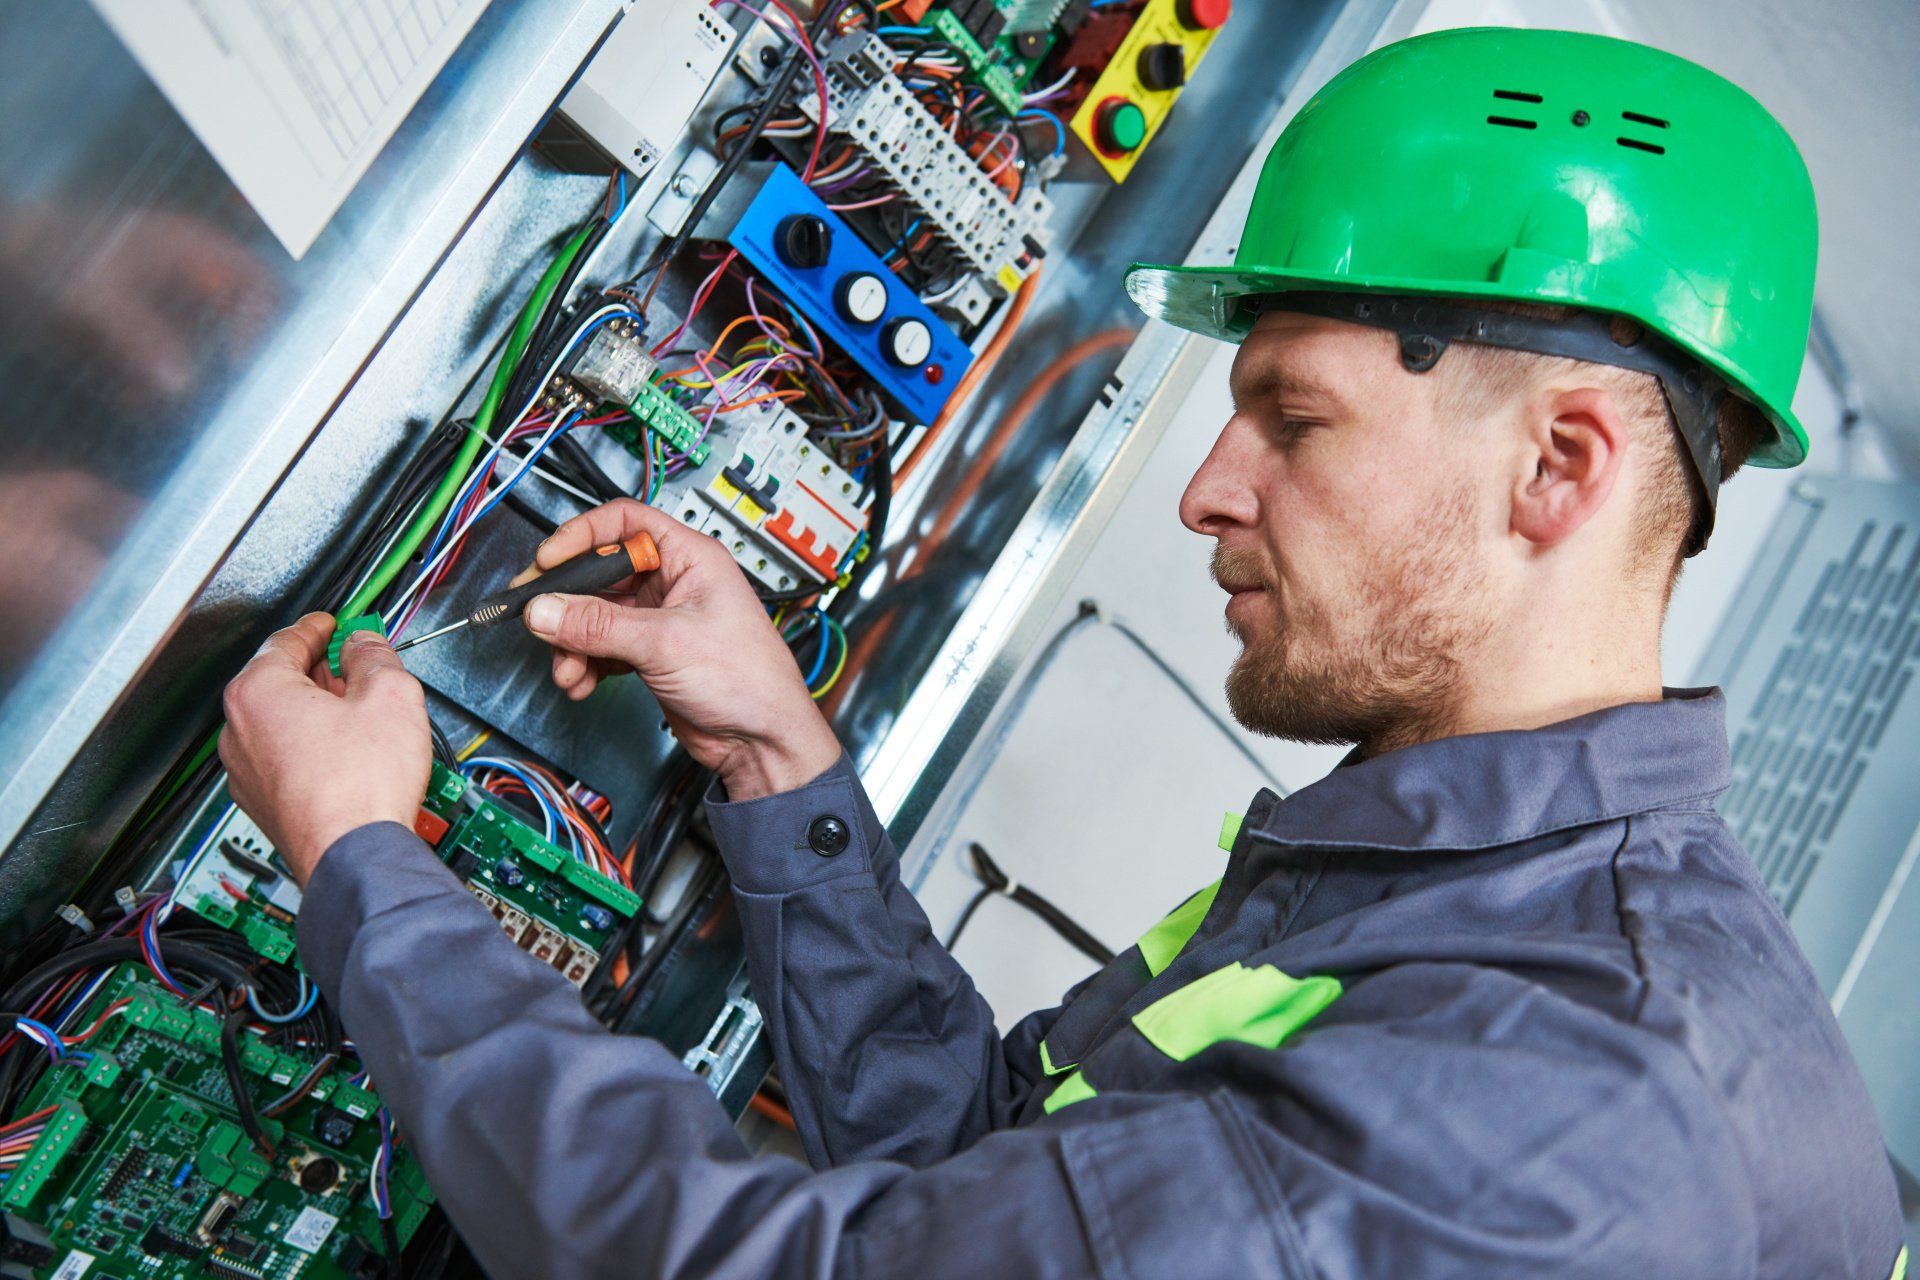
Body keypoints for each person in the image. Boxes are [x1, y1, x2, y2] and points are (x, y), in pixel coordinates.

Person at [218, 27, 1908, 1280]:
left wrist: (369, 866)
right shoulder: (1428, 868)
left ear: (1561, 468)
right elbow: (993, 1169)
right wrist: (776, 763)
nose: (1203, 491)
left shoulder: (1580, 1096)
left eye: (1292, 420)